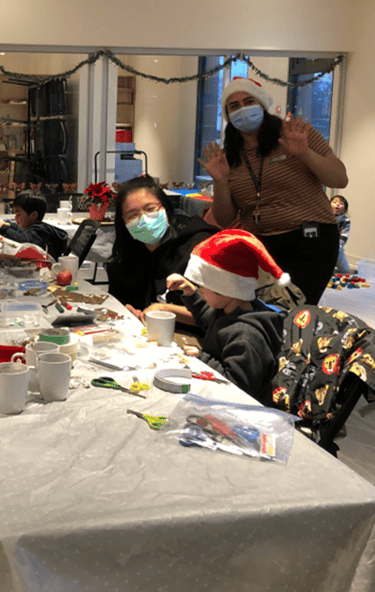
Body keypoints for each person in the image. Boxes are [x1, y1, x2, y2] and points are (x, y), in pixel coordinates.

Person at [198, 77, 348, 305]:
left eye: (249, 101)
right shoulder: (230, 155)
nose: (243, 110)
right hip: (260, 245)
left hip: (310, 240)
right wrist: (220, 181)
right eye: (234, 106)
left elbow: (339, 178)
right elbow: (225, 218)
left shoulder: (295, 134)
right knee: (259, 310)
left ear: (262, 104)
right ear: (228, 115)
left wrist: (304, 153)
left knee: (292, 311)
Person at [166, 229, 286, 404]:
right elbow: (208, 319)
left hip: (244, 409)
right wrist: (189, 291)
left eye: (204, 286)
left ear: (226, 288)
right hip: (219, 391)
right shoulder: (231, 311)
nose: (200, 290)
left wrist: (202, 359)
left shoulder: (246, 336)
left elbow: (238, 389)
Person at [106, 176, 217, 324]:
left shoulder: (199, 245)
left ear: (165, 207)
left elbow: (218, 316)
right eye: (133, 215)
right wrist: (132, 311)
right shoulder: (130, 251)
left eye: (150, 209)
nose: (143, 218)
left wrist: (164, 310)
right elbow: (120, 300)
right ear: (124, 222)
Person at [0, 189, 69, 259]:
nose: (15, 218)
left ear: (33, 215)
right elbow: (23, 232)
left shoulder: (39, 231)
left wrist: (2, 228)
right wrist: (9, 225)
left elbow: (23, 239)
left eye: (18, 215)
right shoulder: (36, 227)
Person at [331, 194, 352, 273]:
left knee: (345, 270)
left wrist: (338, 246)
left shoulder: (346, 221)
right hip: (326, 249)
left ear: (345, 209)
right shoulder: (326, 218)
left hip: (338, 248)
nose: (338, 204)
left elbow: (344, 235)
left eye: (341, 203)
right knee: (328, 271)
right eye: (335, 202)